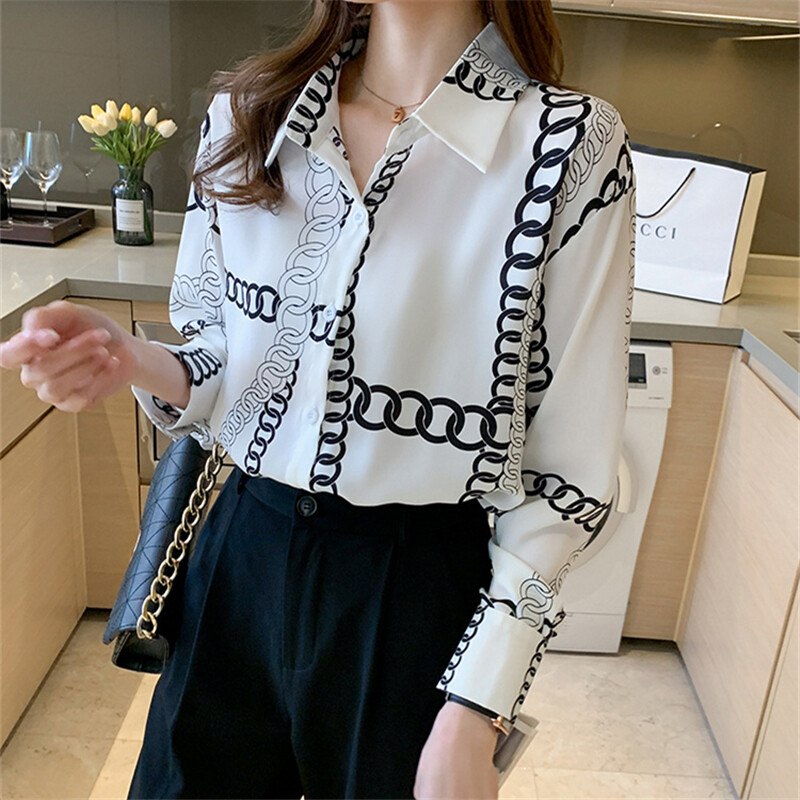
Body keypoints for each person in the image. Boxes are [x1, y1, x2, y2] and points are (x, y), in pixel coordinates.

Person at [0, 0, 636, 797]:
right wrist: (133, 359)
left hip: (415, 590)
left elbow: (566, 475)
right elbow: (229, 362)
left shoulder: (568, 147)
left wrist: (479, 707)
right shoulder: (249, 113)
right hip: (242, 555)